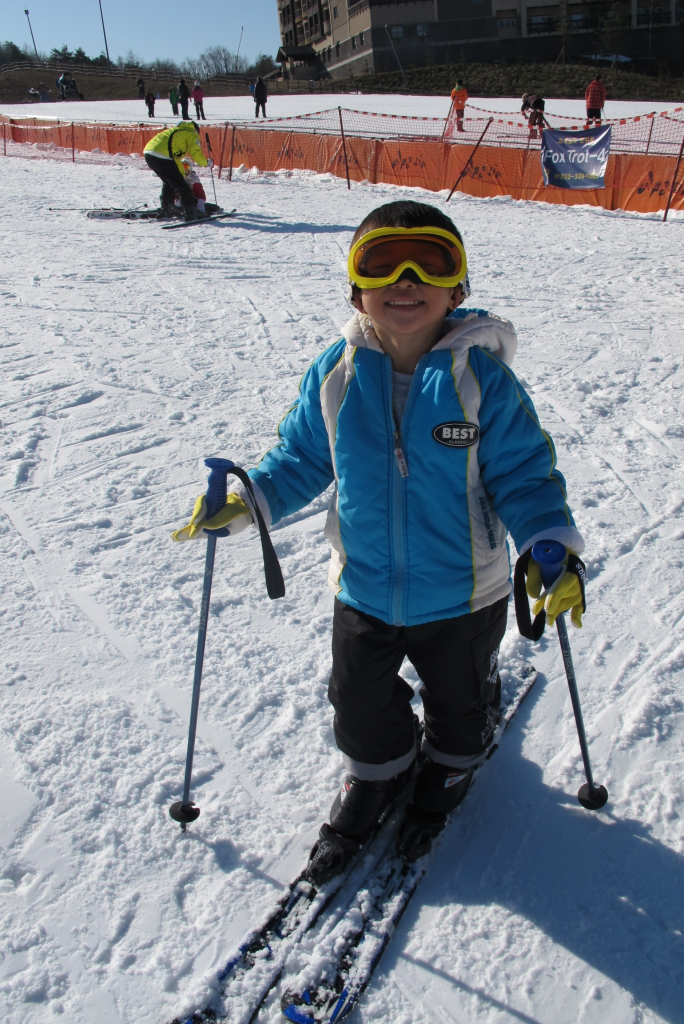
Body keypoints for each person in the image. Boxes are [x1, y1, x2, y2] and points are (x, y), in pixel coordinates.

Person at [171, 199, 586, 880]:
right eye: (382, 264)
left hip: (463, 591)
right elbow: (302, 457)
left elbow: (523, 473)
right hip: (362, 583)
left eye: (430, 261)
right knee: (358, 699)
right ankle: (380, 769)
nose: (406, 280)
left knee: (458, 698)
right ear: (355, 286)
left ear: (459, 287)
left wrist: (547, 541)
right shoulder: (337, 373)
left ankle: (455, 757)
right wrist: (253, 501)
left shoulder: (483, 381)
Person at [143, 121, 213, 219]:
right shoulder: (191, 133)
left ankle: (167, 209)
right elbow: (195, 153)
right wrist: (206, 163)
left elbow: (176, 160)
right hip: (163, 155)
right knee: (181, 185)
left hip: (149, 153)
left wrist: (183, 174)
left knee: (169, 182)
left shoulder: (175, 131)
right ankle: (190, 211)